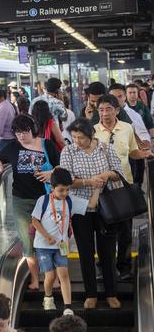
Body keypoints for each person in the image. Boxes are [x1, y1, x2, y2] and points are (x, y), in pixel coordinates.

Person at [59, 118, 123, 309]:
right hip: (80, 207)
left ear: (91, 135)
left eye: (81, 138)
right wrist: (88, 182)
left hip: (105, 206)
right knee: (85, 251)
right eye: (75, 137)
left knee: (108, 250)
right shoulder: (68, 151)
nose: (77, 141)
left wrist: (106, 175)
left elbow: (118, 172)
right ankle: (91, 294)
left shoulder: (104, 148)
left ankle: (111, 293)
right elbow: (66, 178)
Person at [0, 114, 60, 290]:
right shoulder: (12, 146)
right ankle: (35, 279)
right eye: (17, 132)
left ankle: (53, 278)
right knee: (27, 241)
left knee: (48, 238)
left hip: (45, 200)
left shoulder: (47, 144)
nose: (21, 136)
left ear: (33, 130)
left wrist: (51, 173)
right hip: (21, 200)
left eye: (25, 131)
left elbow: (61, 166)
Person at [93, 94, 150, 280]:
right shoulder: (93, 131)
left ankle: (124, 267)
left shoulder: (126, 128)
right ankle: (103, 268)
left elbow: (132, 152)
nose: (104, 113)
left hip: (123, 185)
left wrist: (144, 154)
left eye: (108, 109)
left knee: (125, 231)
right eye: (101, 110)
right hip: (100, 187)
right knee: (104, 231)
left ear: (117, 110)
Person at [31, 167, 87, 316]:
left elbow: (91, 205)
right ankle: (48, 297)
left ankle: (67, 306)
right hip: (43, 245)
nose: (65, 193)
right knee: (50, 276)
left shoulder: (69, 200)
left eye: (67, 190)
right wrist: (46, 236)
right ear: (52, 187)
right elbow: (35, 221)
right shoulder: (43, 200)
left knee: (64, 274)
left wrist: (96, 189)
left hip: (61, 245)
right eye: (61, 190)